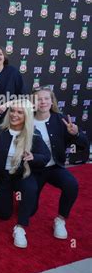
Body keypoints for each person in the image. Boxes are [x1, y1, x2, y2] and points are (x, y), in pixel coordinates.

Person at [31, 86, 89, 239]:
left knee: (72, 184)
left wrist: (76, 133)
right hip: (34, 169)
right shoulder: (26, 120)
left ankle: (60, 220)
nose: (42, 102)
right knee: (30, 210)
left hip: (54, 167)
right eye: (38, 99)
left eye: (46, 98)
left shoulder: (60, 120)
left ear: (52, 101)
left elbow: (83, 145)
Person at [0, 100, 51, 248]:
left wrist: (34, 157)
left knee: (30, 191)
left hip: (22, 174)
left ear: (26, 116)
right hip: (2, 176)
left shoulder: (33, 134)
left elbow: (46, 156)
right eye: (12, 111)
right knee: (3, 214)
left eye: (19, 112)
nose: (14, 115)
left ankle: (20, 228)